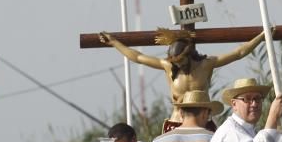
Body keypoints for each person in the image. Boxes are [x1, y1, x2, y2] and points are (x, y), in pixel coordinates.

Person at [98, 28, 265, 129]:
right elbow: (138, 57)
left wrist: (262, 36)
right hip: (177, 121)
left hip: (203, 122)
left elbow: (239, 53)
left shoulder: (206, 65)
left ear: (189, 54)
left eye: (181, 61)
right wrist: (114, 42)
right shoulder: (168, 66)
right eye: (174, 61)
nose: (178, 65)